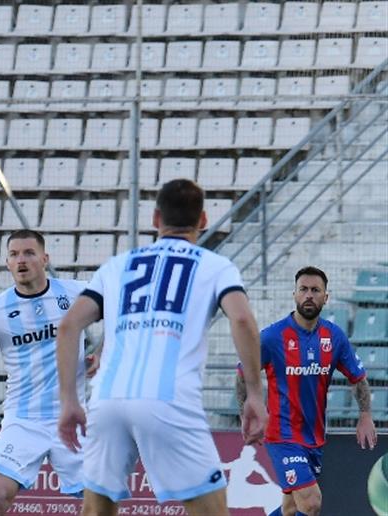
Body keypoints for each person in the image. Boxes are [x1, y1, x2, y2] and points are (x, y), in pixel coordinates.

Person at [55, 179, 268, 516]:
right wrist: (254, 393)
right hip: (168, 399)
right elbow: (242, 320)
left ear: (156, 219)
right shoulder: (214, 266)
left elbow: (68, 326)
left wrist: (69, 400)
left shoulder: (117, 266)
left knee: (96, 510)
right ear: (203, 220)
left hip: (107, 399)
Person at [0, 230, 89, 516]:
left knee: (98, 502)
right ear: (7, 263)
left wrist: (106, 354)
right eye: (14, 254)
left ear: (45, 259)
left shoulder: (75, 293)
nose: (21, 260)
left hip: (73, 417)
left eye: (28, 253)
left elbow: (121, 313)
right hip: (24, 420)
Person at [236, 266, 376, 516]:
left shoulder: (334, 337)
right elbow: (243, 373)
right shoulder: (273, 337)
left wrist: (365, 415)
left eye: (315, 290)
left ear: (326, 297)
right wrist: (245, 414)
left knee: (291, 508)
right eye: (303, 289)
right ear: (294, 294)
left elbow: (358, 378)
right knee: (311, 502)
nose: (309, 295)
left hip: (314, 437)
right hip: (281, 435)